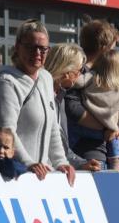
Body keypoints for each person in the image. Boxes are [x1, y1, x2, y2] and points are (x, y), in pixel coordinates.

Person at [0, 19, 75, 184]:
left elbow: (53, 128)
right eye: (31, 47)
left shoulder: (46, 78)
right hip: (12, 176)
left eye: (43, 49)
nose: (37, 53)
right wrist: (28, 163)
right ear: (17, 47)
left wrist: (61, 162)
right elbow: (6, 132)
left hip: (39, 176)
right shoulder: (6, 82)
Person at [68, 50, 119, 170]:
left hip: (85, 126)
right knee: (114, 138)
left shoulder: (92, 77)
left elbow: (77, 82)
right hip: (109, 130)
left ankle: (69, 152)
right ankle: (116, 162)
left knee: (72, 133)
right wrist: (118, 125)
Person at [43, 43, 101, 171]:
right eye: (79, 70)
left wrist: (82, 164)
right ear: (66, 72)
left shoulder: (60, 99)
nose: (80, 75)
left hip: (53, 175)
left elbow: (63, 149)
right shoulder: (41, 95)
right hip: (36, 175)